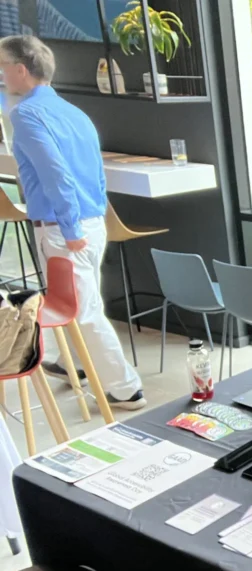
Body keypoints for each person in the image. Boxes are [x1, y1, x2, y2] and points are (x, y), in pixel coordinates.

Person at [0, 35, 145, 409]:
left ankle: (127, 388)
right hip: (90, 222)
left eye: (3, 67)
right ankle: (72, 363)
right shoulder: (74, 113)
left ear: (20, 70)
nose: (1, 76)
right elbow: (96, 174)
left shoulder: (26, 115)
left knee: (83, 310)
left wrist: (70, 229)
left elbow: (55, 175)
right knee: (79, 300)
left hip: (66, 231)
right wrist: (85, 221)